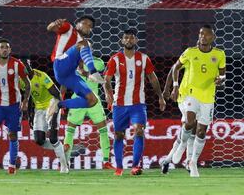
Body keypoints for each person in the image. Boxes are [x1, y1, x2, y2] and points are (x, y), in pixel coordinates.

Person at [103, 30, 166, 176]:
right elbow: (107, 80)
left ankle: (136, 166)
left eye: (132, 38)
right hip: (119, 104)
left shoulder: (144, 58)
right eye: (126, 38)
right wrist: (108, 95)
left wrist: (160, 96)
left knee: (139, 130)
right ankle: (119, 167)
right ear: (122, 40)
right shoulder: (115, 59)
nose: (129, 40)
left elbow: (153, 78)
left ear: (136, 40)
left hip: (138, 104)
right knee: (119, 134)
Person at [171, 25, 226, 177]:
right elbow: (175, 68)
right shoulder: (190, 52)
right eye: (201, 34)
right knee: (189, 120)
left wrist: (220, 80)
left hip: (208, 96)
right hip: (191, 93)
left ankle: (193, 162)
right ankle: (182, 145)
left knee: (201, 131)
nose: (203, 36)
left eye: (207, 35)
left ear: (212, 38)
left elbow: (223, 75)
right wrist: (175, 86)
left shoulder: (219, 54)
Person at [0, 38, 31, 174]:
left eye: (6, 47)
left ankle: (12, 165)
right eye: (1, 47)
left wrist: (25, 101)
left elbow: (27, 84)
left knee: (12, 135)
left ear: (10, 50)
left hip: (13, 105)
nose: (4, 49)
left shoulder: (17, 64)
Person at [46, 16, 105, 121]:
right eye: (85, 23)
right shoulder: (69, 29)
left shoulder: (84, 46)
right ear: (77, 24)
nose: (88, 27)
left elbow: (80, 69)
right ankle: (94, 71)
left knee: (92, 100)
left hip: (70, 75)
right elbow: (50, 28)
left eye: (90, 26)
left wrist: (87, 75)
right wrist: (55, 23)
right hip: (60, 64)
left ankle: (59, 104)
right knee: (85, 43)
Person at [63, 56, 115, 170]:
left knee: (103, 130)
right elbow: (65, 81)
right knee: (70, 130)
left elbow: (104, 79)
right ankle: (65, 162)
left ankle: (106, 162)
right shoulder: (72, 62)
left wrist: (107, 95)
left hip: (93, 100)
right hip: (79, 99)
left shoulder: (98, 63)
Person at [21, 60, 68, 173]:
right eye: (22, 67)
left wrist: (57, 110)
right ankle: (61, 149)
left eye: (26, 65)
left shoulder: (41, 76)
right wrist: (30, 116)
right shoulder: (21, 81)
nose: (24, 68)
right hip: (39, 109)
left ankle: (64, 167)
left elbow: (57, 94)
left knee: (53, 138)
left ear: (30, 65)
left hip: (52, 105)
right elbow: (30, 97)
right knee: (39, 140)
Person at [160, 62, 194, 174]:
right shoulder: (191, 54)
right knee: (191, 127)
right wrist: (167, 88)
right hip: (186, 97)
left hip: (201, 97)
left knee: (189, 130)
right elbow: (174, 68)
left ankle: (167, 160)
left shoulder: (214, 57)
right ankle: (189, 162)